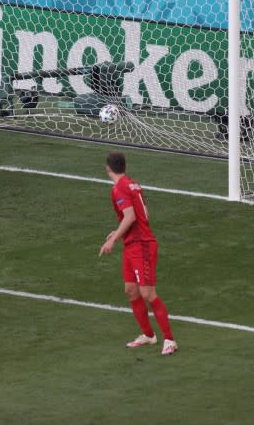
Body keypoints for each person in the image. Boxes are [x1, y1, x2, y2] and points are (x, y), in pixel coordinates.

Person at [99, 152, 178, 356]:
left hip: (141, 245)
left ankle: (169, 340)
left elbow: (131, 216)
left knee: (148, 293)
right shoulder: (133, 184)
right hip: (132, 244)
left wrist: (113, 239)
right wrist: (119, 233)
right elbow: (144, 214)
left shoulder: (119, 189)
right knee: (131, 290)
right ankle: (148, 335)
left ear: (108, 169)